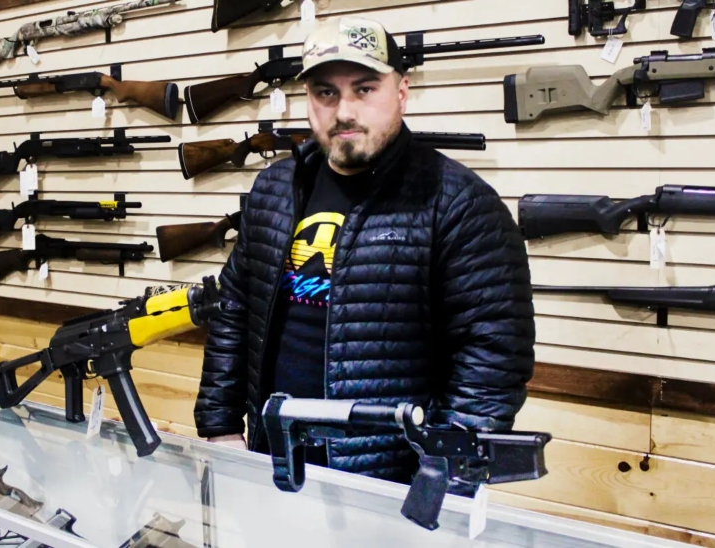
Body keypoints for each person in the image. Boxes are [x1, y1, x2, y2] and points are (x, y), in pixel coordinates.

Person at [194, 16, 535, 484]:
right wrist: (220, 426)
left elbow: (493, 355)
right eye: (325, 93)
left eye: (365, 88)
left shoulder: (457, 201)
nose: (344, 111)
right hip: (272, 453)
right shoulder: (274, 188)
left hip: (389, 474)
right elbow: (234, 310)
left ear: (401, 92)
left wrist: (443, 475)